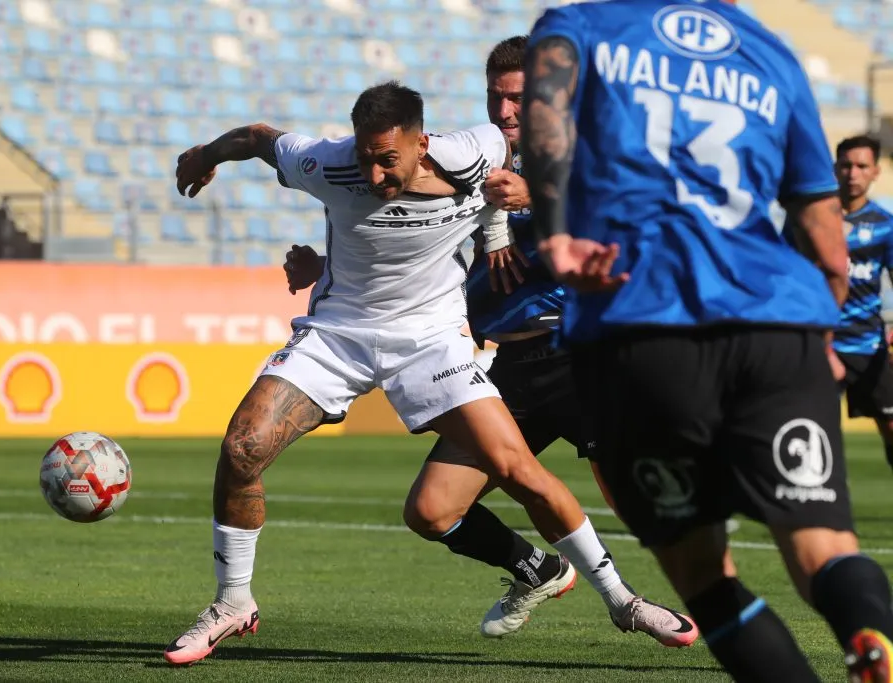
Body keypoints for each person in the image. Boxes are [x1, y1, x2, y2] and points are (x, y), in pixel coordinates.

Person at [166, 81, 625, 666]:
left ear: (420, 143)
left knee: (526, 473)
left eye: (388, 160)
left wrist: (499, 227)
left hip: (438, 342)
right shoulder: (325, 163)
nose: (375, 175)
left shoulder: (478, 151)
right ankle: (233, 603)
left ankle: (623, 599)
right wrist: (205, 155)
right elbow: (257, 138)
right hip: (338, 336)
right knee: (242, 447)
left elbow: (506, 164)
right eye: (366, 157)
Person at [521, 1, 893, 681]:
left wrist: (555, 231)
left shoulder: (580, 27)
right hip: (778, 326)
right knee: (825, 549)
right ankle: (870, 631)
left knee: (703, 574)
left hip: (641, 324)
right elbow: (825, 234)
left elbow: (545, 120)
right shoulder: (770, 50)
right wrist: (825, 333)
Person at [285, 36, 698, 648]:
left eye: (518, 98)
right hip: (513, 367)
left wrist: (544, 199)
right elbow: (418, 249)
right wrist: (326, 269)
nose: (505, 112)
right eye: (495, 97)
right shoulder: (466, 164)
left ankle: (695, 611)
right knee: (431, 511)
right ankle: (534, 569)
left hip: (588, 357)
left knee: (647, 509)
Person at [798, 136, 893, 473]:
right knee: (811, 431)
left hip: (868, 344)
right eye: (846, 165)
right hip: (822, 344)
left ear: (875, 172)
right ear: (835, 169)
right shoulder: (810, 219)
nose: (853, 173)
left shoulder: (885, 225)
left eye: (862, 166)